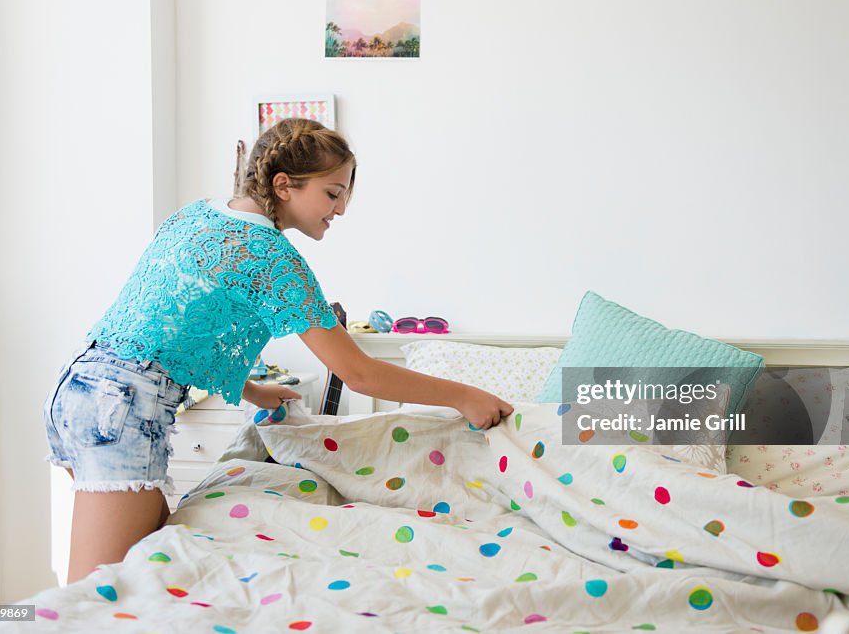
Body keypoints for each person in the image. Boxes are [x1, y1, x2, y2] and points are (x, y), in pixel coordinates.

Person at [42, 117, 513, 584]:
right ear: (285, 185)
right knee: (98, 596)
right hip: (123, 409)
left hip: (80, 390)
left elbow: (166, 333)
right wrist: (463, 396)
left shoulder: (198, 213)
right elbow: (361, 375)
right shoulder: (271, 255)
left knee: (135, 578)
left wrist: (253, 390)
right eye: (333, 192)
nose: (342, 208)